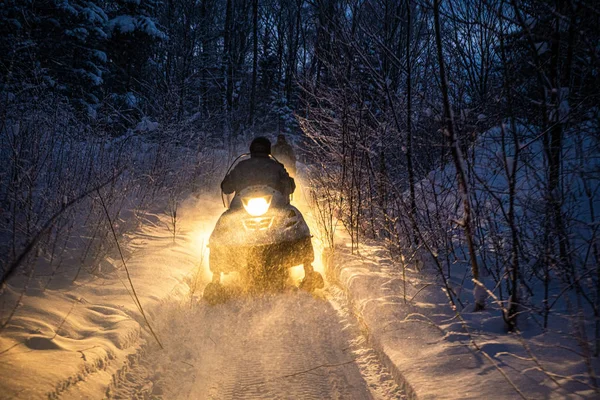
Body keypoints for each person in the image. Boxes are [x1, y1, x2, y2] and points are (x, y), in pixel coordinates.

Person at [221, 136, 295, 200]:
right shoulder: (276, 166)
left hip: (266, 204)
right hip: (249, 205)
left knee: (291, 213)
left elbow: (227, 188)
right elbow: (290, 186)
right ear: (269, 150)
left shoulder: (241, 166)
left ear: (251, 149)